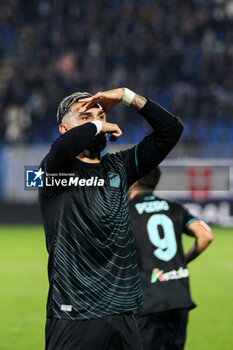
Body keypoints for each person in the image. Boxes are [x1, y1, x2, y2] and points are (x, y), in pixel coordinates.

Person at [38, 87, 183, 350]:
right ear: (63, 128)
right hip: (73, 314)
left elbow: (171, 130)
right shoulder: (53, 172)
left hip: (122, 313)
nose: (98, 121)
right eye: (85, 117)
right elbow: (64, 147)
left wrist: (127, 96)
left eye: (101, 115)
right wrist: (98, 124)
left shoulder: (121, 167)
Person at [128, 167, 214, 350]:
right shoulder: (174, 207)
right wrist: (184, 260)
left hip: (147, 298)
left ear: (133, 181)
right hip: (179, 296)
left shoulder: (126, 211)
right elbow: (205, 235)